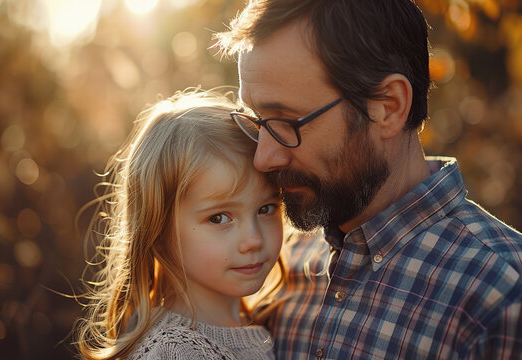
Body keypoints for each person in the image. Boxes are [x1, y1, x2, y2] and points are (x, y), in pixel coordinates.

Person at [215, 0, 522, 359]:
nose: (263, 158)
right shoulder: (276, 267)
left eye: (287, 122)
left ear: (388, 107)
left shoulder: (503, 297)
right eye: (256, 120)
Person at [74, 89, 285, 360]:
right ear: (159, 229)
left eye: (265, 209)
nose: (254, 239)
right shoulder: (175, 352)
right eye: (219, 217)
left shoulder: (267, 319)